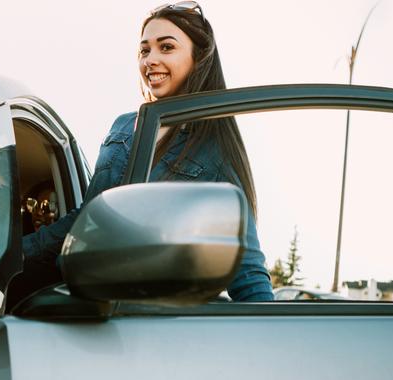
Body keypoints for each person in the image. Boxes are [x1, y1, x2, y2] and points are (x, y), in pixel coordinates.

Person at [19, 1, 273, 302]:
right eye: (144, 50)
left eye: (166, 47)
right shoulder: (123, 126)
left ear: (199, 57)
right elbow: (87, 219)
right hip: (75, 294)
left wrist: (269, 330)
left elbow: (247, 270)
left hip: (146, 314)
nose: (150, 60)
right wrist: (14, 252)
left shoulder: (216, 151)